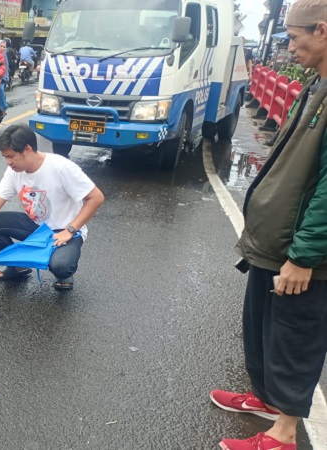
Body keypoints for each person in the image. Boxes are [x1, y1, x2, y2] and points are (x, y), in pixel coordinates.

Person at [210, 1, 327, 449]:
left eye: (294, 38)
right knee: (262, 329)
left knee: (294, 339)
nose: (289, 48)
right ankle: (265, 399)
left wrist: (304, 256)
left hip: (301, 253)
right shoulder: (317, 84)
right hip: (274, 243)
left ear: (321, 30)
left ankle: (283, 434)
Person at [0, 124, 104, 291]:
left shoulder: (61, 167)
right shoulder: (14, 171)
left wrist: (70, 230)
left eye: (11, 156)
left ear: (27, 149)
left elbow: (96, 198)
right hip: (36, 227)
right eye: (5, 157)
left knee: (61, 266)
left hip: (66, 230)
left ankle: (64, 272)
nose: (8, 162)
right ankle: (17, 267)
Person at [0, 40, 10, 116]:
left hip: (2, 77)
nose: (2, 48)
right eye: (1, 46)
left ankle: (2, 107)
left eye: (4, 47)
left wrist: (1, 78)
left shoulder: (4, 56)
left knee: (0, 89)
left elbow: (5, 68)